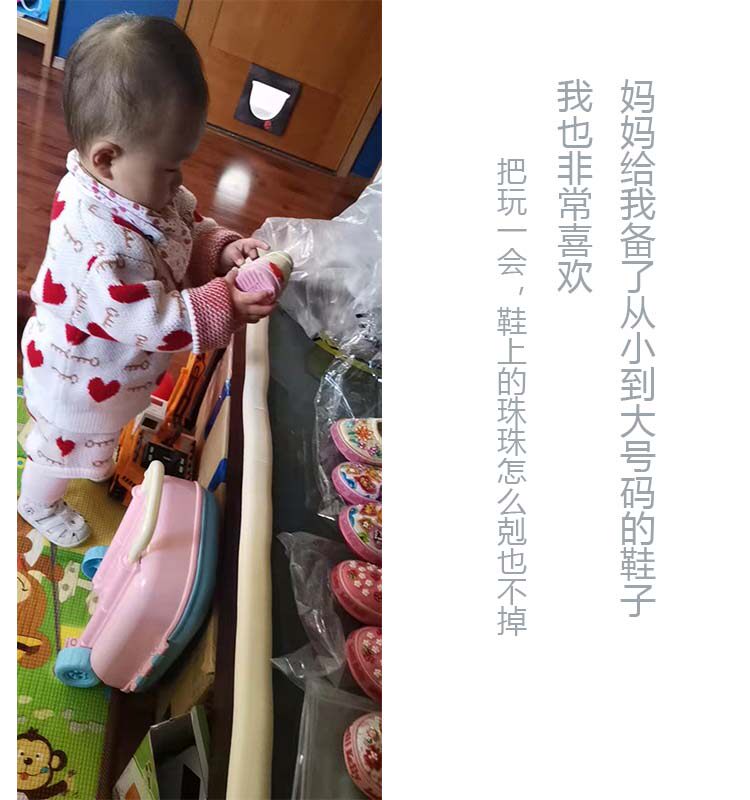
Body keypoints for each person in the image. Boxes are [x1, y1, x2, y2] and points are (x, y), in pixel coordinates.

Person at [19, 14, 274, 546]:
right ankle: (35, 501)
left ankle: (76, 451)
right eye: (169, 168)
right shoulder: (98, 242)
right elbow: (147, 318)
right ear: (106, 158)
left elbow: (184, 230)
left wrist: (221, 249)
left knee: (85, 442)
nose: (179, 181)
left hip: (113, 374)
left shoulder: (141, 192)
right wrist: (224, 302)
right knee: (60, 451)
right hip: (78, 379)